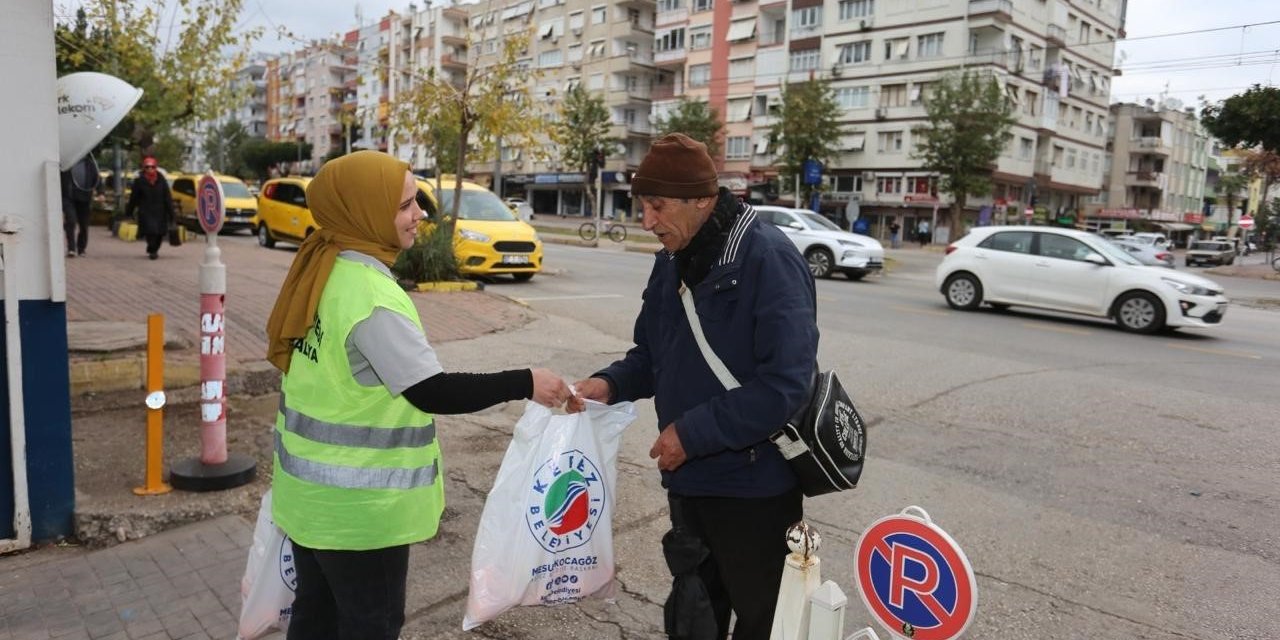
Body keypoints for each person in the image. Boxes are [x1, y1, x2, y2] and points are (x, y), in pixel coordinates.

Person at [264, 150, 572, 640]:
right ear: (365, 210)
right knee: (370, 625)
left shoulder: (325, 270)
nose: (420, 214)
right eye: (406, 204)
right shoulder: (371, 295)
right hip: (360, 514)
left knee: (316, 618)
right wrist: (526, 381)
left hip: (308, 501)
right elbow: (433, 391)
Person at [568, 133, 819, 640]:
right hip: (688, 483)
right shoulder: (670, 259)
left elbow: (786, 385)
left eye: (657, 207)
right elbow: (651, 354)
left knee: (761, 620)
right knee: (694, 613)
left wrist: (693, 433)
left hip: (754, 491)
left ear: (702, 200)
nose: (647, 222)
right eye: (643, 206)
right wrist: (609, 384)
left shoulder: (767, 258)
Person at [124, 156, 174, 260]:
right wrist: (129, 212)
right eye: (147, 167)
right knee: (150, 231)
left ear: (155, 167)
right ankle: (152, 250)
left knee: (159, 233)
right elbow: (134, 198)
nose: (150, 169)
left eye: (152, 167)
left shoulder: (161, 180)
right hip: (146, 211)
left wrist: (171, 213)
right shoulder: (139, 181)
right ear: (144, 168)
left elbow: (167, 197)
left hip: (160, 211)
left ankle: (155, 248)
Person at [61, 153, 100, 257]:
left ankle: (81, 248)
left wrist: (101, 192)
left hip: (84, 197)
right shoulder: (65, 163)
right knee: (71, 221)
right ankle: (71, 248)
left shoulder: (89, 164)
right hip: (69, 197)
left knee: (84, 225)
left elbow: (97, 179)